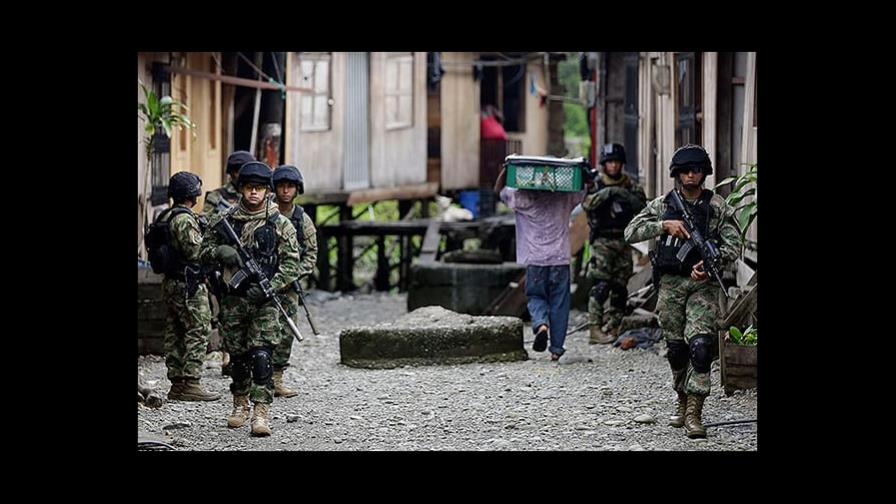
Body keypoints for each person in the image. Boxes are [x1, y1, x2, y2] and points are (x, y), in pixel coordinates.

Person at [624, 144, 742, 438]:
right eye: (686, 170)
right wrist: (664, 226)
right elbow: (630, 232)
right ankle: (682, 397)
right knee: (676, 349)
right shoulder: (663, 205)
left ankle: (694, 413)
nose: (691, 175)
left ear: (704, 173)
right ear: (677, 173)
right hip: (671, 285)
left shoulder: (717, 206)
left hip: (703, 286)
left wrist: (712, 262)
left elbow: (734, 244)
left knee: (701, 347)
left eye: (697, 170)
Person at [200, 162, 301, 436]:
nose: (254, 193)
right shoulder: (226, 220)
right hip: (234, 299)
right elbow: (202, 251)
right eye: (248, 188)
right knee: (238, 357)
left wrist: (271, 287)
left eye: (259, 188)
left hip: (265, 301)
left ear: (267, 191)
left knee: (262, 355)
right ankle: (240, 403)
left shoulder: (279, 223)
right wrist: (220, 252)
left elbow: (292, 264)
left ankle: (261, 412)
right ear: (241, 189)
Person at [495, 160, 588, 361]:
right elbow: (584, 190)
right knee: (560, 302)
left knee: (536, 296)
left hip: (535, 260)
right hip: (560, 259)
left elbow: (499, 191)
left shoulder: (523, 198)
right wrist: (583, 172)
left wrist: (506, 170)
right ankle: (556, 349)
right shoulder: (564, 197)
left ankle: (541, 324)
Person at [153, 171, 220, 402]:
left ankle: (177, 383)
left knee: (176, 331)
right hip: (188, 284)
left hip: (171, 283)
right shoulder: (184, 219)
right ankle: (191, 382)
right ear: (193, 194)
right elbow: (196, 253)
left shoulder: (165, 215)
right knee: (198, 329)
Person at [582, 143, 646, 344]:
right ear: (604, 164)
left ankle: (614, 325)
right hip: (602, 240)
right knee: (601, 285)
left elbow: (642, 208)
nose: (613, 166)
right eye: (610, 162)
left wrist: (623, 194)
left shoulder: (631, 185)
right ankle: (594, 328)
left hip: (623, 239)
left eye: (617, 162)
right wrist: (608, 193)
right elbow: (586, 204)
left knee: (620, 286)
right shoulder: (596, 184)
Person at [203, 150, 256, 376]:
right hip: (224, 262)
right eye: (238, 171)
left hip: (249, 258)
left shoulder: (257, 193)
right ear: (231, 173)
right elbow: (206, 222)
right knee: (225, 309)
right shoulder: (217, 197)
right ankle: (228, 355)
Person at [270, 164, 318, 398]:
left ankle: (276, 377)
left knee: (286, 332)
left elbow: (311, 254)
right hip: (264, 282)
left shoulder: (302, 220)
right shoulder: (266, 213)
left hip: (288, 287)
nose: (285, 191)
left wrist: (293, 274)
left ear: (297, 189)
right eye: (281, 186)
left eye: (290, 186)